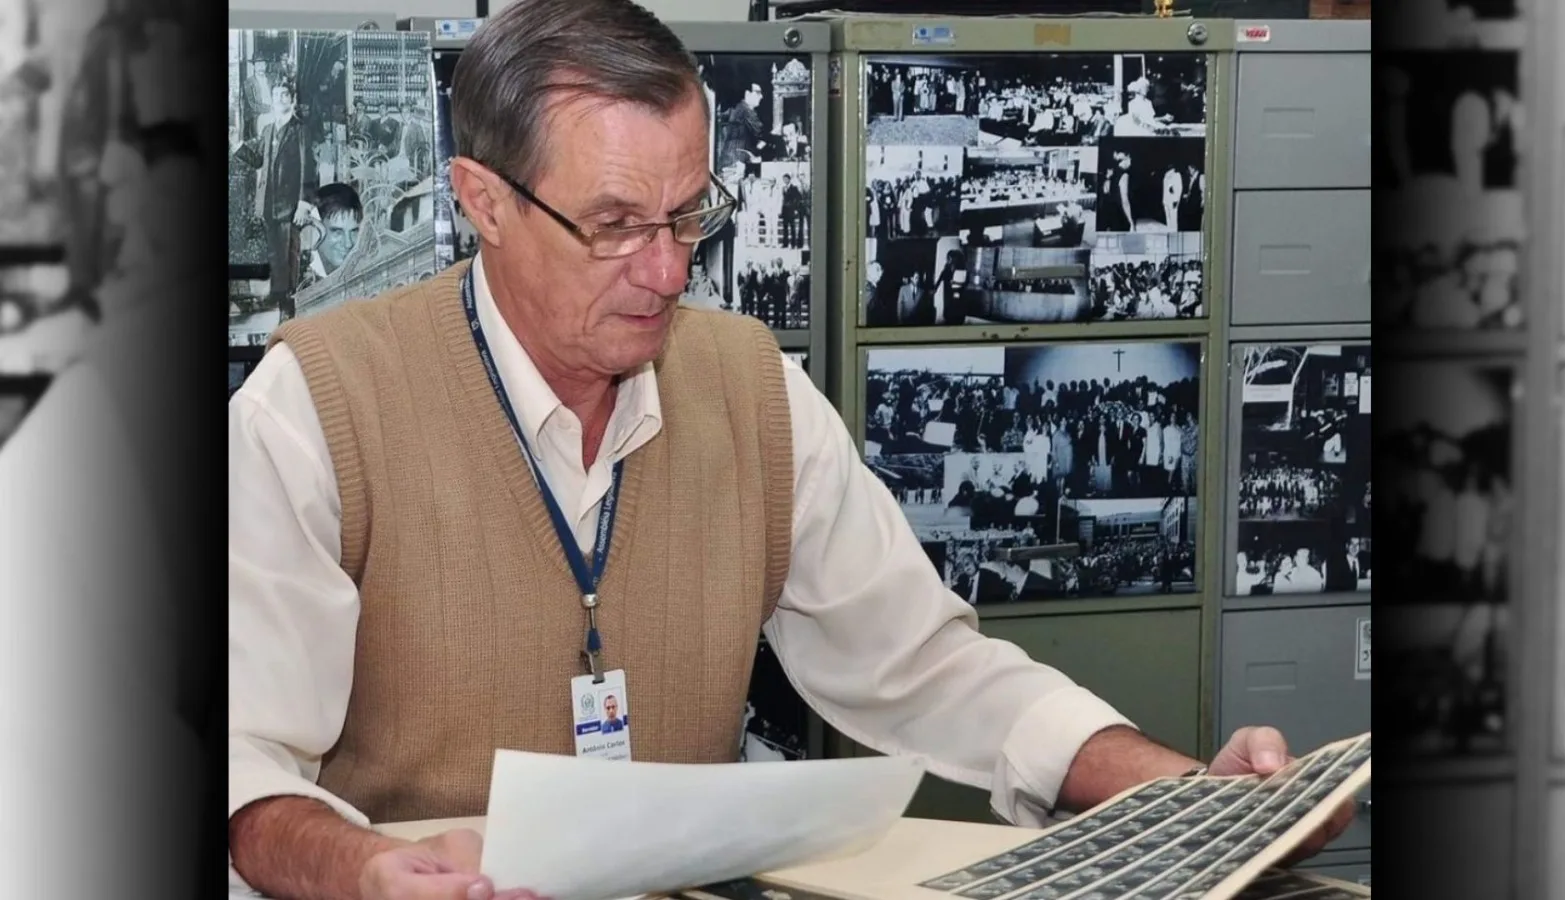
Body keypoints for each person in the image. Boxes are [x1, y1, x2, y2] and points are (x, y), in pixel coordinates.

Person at [226, 2, 1354, 898]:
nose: (667, 274)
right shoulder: (316, 404)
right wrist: (364, 871)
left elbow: (923, 665)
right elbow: (242, 772)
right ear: (483, 200)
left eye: (688, 217)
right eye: (614, 226)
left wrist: (1184, 800)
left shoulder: (748, 382)